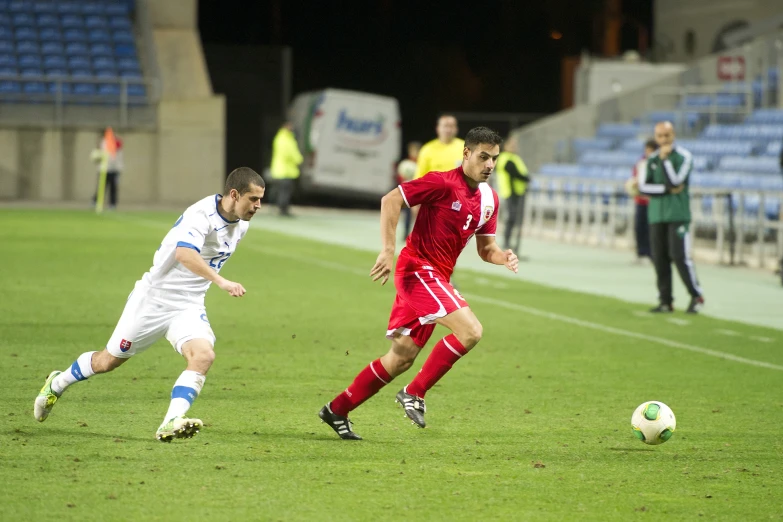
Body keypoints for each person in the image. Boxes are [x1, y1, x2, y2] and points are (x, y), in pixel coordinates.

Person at [34, 168, 266, 441]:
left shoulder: (242, 224)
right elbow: (183, 253)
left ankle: (170, 422)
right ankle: (57, 383)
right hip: (153, 300)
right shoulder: (200, 215)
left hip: (189, 305)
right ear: (235, 194)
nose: (258, 206)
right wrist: (221, 281)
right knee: (107, 361)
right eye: (253, 199)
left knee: (203, 356)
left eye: (260, 199)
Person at [318, 127, 519, 440]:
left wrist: (502, 257)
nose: (490, 164)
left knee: (400, 358)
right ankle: (414, 392)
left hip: (436, 277)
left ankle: (337, 409)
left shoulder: (490, 199)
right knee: (471, 331)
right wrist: (388, 249)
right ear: (466, 154)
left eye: (494, 158)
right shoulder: (441, 182)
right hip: (416, 271)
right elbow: (391, 200)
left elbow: (486, 249)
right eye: (483, 157)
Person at [636, 121, 705, 314]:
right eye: (660, 136)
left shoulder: (683, 157)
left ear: (673, 135)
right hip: (656, 215)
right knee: (659, 258)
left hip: (677, 214)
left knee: (679, 256)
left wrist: (666, 162)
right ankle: (665, 300)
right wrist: (666, 190)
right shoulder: (651, 160)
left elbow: (677, 180)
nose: (663, 140)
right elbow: (643, 187)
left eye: (667, 135)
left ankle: (696, 295)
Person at [494, 136, 530, 251]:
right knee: (511, 217)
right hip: (511, 192)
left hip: (517, 192)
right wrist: (526, 178)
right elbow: (515, 173)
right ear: (506, 146)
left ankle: (511, 243)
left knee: (514, 218)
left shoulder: (514, 158)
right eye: (512, 145)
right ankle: (507, 242)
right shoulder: (506, 158)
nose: (515, 147)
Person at [626, 139, 658, 264]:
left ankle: (652, 254)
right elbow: (635, 178)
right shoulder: (641, 162)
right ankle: (641, 253)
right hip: (640, 201)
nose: (648, 152)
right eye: (647, 150)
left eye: (651, 150)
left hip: (653, 202)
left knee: (652, 229)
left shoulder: (659, 163)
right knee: (640, 227)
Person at [270, 120, 303, 217]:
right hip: (285, 170)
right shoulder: (285, 139)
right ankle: (283, 209)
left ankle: (280, 207)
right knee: (285, 191)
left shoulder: (281, 137)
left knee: (282, 190)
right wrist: (299, 159)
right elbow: (290, 153)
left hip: (282, 169)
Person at [91, 128, 123, 209]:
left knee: (113, 187)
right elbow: (96, 155)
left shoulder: (116, 142)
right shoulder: (102, 142)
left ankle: (112, 204)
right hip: (103, 169)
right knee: (101, 187)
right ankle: (95, 201)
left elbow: (117, 152)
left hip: (114, 169)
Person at [396, 141, 421, 240]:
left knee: (419, 215)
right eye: (413, 151)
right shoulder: (406, 164)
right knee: (407, 214)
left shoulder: (421, 163)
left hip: (419, 192)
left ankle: (419, 235)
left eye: (416, 151)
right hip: (409, 193)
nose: (414, 153)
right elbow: (401, 177)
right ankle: (406, 233)